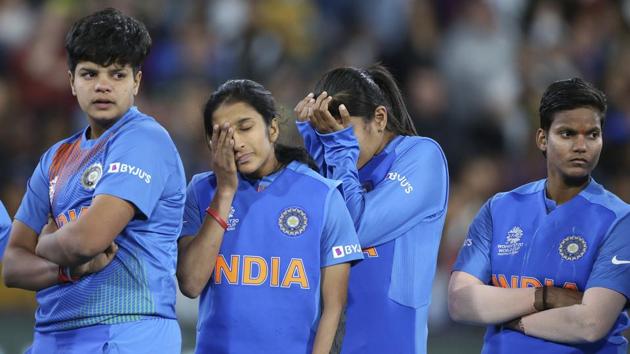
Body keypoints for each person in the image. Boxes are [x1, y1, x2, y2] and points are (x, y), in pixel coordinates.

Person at [2, 8, 186, 354]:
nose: (103, 85)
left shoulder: (144, 139)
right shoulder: (55, 157)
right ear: (71, 81)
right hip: (51, 335)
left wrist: (44, 244)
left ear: (137, 82)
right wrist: (66, 272)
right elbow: (12, 266)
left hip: (127, 331)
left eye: (117, 74)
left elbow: (88, 240)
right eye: (89, 74)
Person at [176, 79, 363, 354]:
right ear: (210, 143)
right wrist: (226, 192)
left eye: (245, 127)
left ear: (272, 128)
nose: (237, 142)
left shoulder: (323, 196)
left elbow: (333, 309)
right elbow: (191, 284)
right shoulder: (201, 191)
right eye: (224, 134)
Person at [448, 78, 630, 353]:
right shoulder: (499, 208)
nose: (582, 146)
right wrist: (545, 297)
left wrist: (510, 319)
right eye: (568, 133)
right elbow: (461, 302)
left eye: (592, 134)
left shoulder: (620, 220)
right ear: (542, 139)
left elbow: (590, 324)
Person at [294, 64, 449, 354]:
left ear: (379, 118)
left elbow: (353, 230)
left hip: (388, 343)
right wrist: (316, 153)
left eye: (344, 131)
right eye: (326, 132)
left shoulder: (421, 156)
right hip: (323, 338)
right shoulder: (337, 160)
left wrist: (337, 150)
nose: (336, 140)